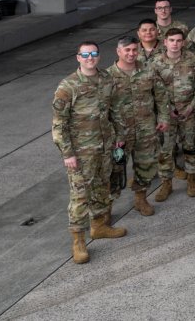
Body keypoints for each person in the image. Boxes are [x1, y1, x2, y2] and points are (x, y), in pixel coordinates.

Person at [53, 41, 127, 264]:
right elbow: (59, 124)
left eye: (94, 54)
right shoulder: (68, 86)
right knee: (80, 196)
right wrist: (67, 154)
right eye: (85, 54)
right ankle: (78, 241)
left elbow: (114, 109)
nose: (90, 58)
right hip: (81, 153)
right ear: (78, 58)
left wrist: (119, 137)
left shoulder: (106, 79)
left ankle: (99, 226)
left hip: (105, 148)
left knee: (101, 188)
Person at [107, 35, 167, 216]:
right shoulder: (108, 77)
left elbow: (161, 96)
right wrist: (111, 133)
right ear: (118, 52)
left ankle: (141, 199)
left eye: (134, 50)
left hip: (146, 129)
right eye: (127, 50)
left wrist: (163, 118)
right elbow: (102, 108)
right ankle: (107, 208)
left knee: (146, 165)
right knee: (114, 170)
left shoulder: (148, 71)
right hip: (120, 134)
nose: (131, 53)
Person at [152, 28, 195, 199]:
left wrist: (192, 106)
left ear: (183, 42)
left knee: (190, 147)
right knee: (166, 149)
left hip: (188, 112)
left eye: (178, 40)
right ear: (165, 42)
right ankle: (166, 183)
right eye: (172, 40)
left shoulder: (193, 59)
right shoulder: (156, 63)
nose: (175, 44)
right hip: (166, 115)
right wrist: (166, 110)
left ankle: (192, 179)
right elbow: (153, 90)